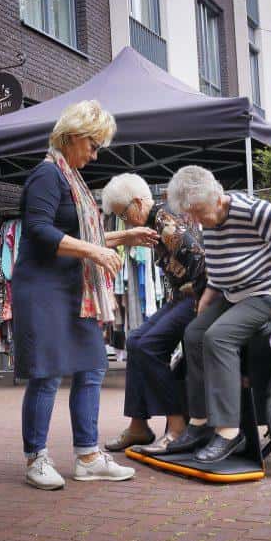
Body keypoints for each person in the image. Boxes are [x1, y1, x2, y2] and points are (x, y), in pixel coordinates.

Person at [13, 100, 159, 490]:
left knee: (92, 367)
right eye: (93, 145)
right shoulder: (47, 175)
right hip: (43, 288)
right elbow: (39, 232)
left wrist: (123, 236)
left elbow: (84, 237)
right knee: (45, 374)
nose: (95, 155)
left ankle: (88, 456)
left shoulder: (71, 179)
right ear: (74, 136)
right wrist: (95, 251)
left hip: (73, 289)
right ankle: (36, 458)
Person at [164, 166, 271, 464]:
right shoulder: (208, 215)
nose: (194, 220)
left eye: (197, 212)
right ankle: (199, 422)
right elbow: (224, 260)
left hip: (268, 292)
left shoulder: (251, 212)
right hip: (234, 293)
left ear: (217, 198)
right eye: (189, 214)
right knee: (194, 334)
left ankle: (229, 432)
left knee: (218, 338)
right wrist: (210, 292)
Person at [100, 174, 207, 454]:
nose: (124, 222)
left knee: (147, 346)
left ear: (137, 203)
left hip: (196, 298)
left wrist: (199, 300)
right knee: (136, 341)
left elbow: (199, 259)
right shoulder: (155, 221)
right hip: (180, 298)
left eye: (123, 215)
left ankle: (177, 425)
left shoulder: (165, 223)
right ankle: (139, 426)